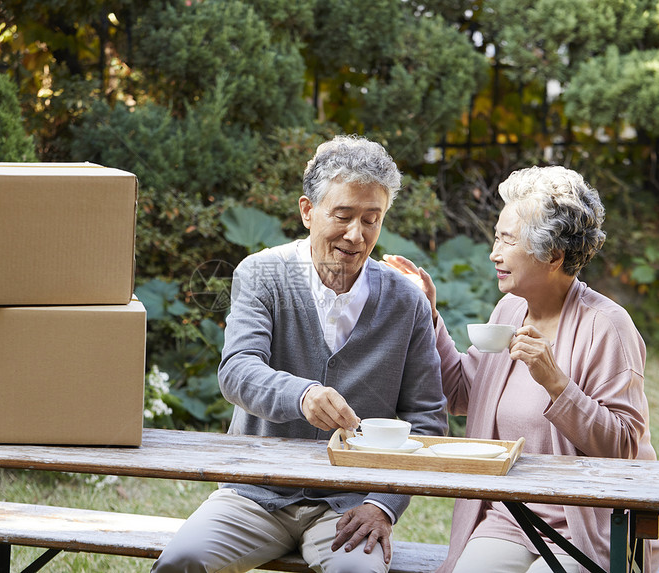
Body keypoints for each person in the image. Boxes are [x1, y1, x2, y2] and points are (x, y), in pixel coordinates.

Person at [152, 135, 447, 573]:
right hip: (255, 493)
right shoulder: (262, 274)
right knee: (182, 560)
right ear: (308, 211)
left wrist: (382, 505)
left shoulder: (407, 300)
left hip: (349, 504)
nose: (356, 234)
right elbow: (237, 370)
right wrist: (303, 395)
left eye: (372, 219)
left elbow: (427, 419)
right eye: (343, 215)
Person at [385, 165, 659, 573]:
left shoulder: (607, 326)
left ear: (553, 256)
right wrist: (428, 313)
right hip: (511, 516)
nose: (493, 252)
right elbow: (463, 394)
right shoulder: (511, 310)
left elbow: (622, 447)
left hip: (589, 521)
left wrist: (556, 383)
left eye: (507, 240)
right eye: (496, 237)